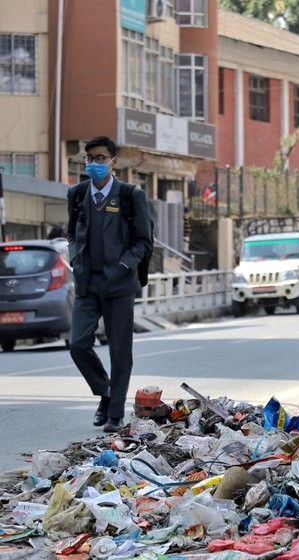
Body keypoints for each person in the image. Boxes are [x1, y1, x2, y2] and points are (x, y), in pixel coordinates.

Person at [66, 136, 153, 433]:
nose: (94, 164)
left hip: (119, 285)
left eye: (100, 159)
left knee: (119, 351)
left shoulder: (130, 195)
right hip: (87, 285)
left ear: (114, 161)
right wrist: (76, 260)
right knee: (78, 344)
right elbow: (71, 234)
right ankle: (105, 393)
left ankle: (115, 413)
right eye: (89, 159)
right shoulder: (77, 194)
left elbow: (144, 240)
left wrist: (125, 264)